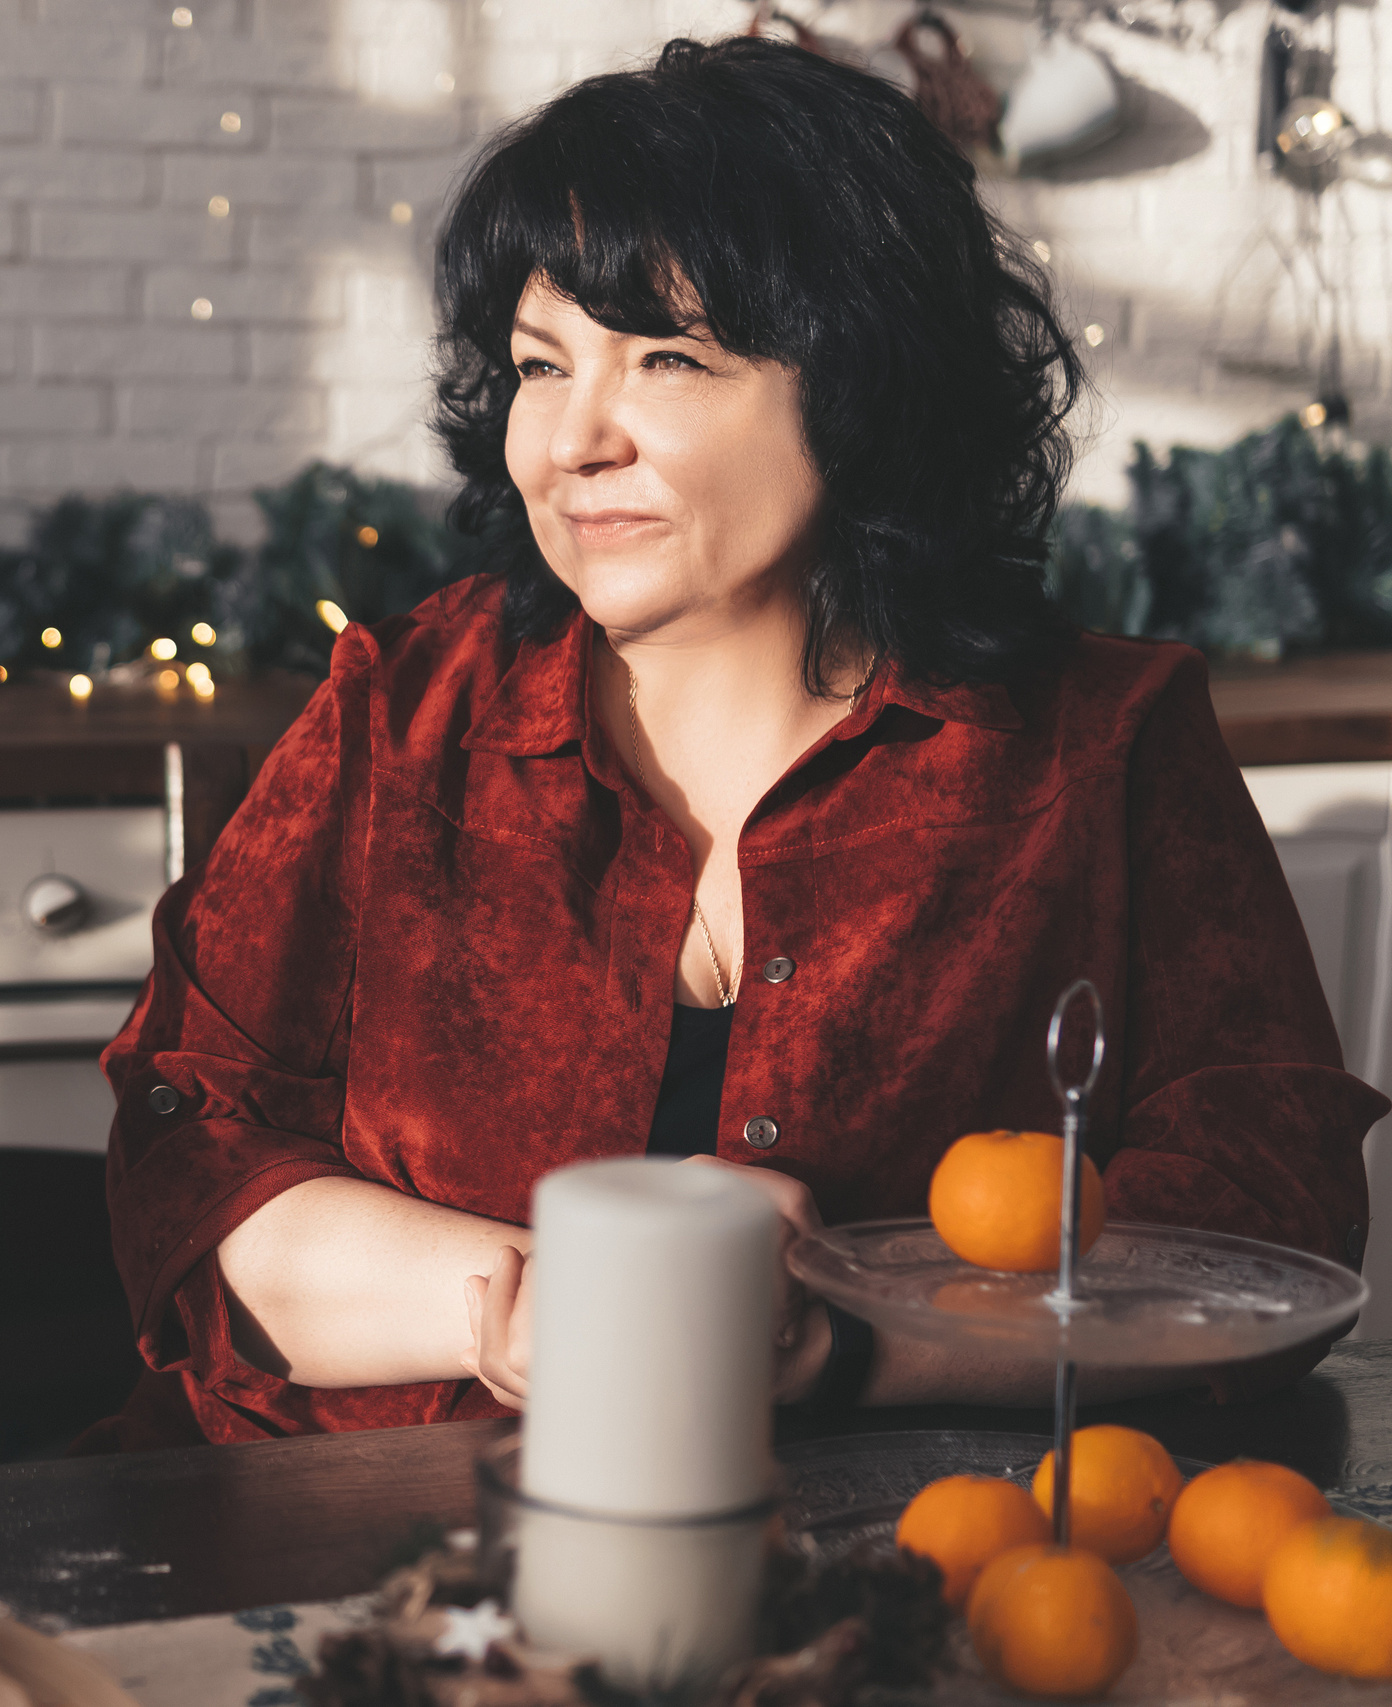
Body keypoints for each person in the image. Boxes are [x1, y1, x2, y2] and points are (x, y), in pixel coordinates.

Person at [93, 36, 1383, 1452]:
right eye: (540, 363)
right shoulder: (394, 719)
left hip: (923, 1588)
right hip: (363, 1567)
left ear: (864, 382)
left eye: (667, 357)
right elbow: (189, 1159)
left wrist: (845, 1337)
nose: (574, 438)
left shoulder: (1102, 746)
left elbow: (1268, 1225)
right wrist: (525, 1303)